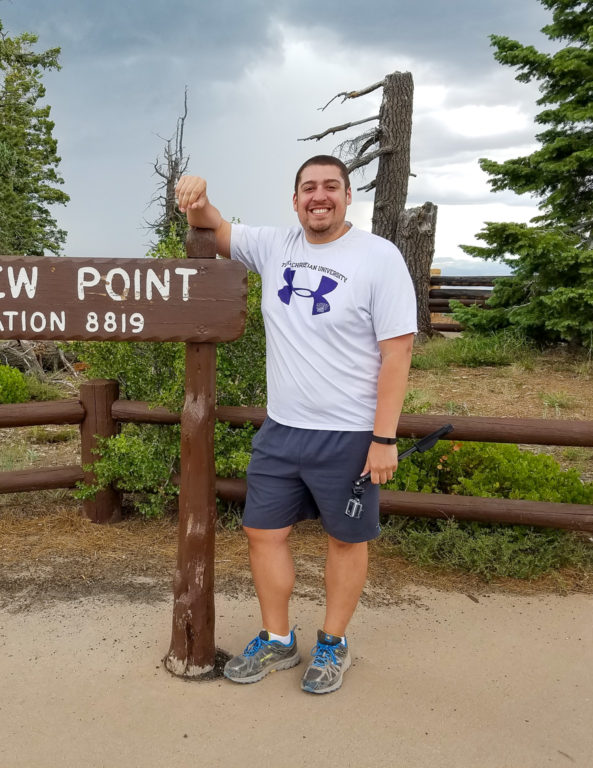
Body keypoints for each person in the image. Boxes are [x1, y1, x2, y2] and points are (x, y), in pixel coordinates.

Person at [174, 155, 416, 694]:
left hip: (351, 433)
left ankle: (333, 644)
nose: (319, 196)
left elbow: (397, 353)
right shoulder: (275, 245)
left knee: (345, 540)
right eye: (309, 188)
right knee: (263, 532)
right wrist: (197, 197)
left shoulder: (379, 258)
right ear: (295, 199)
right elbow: (210, 228)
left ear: (348, 196)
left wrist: (384, 438)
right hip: (282, 428)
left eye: (331, 186)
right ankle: (278, 639)